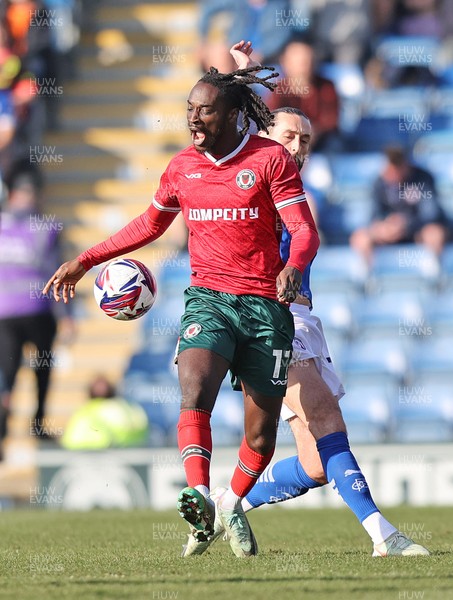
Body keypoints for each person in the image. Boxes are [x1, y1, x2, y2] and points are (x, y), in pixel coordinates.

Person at [44, 64, 320, 558]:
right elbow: (149, 226)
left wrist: (294, 266)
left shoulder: (270, 159)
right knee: (195, 390)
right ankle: (197, 494)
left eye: (205, 110)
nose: (194, 118)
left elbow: (304, 230)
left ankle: (231, 502)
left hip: (265, 307)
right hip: (208, 300)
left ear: (235, 115)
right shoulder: (181, 168)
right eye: (190, 108)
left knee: (260, 433)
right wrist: (85, 260)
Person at [181, 41, 430, 558]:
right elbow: (246, 132)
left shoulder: (295, 189)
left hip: (304, 318)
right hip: (266, 317)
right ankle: (384, 534)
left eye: (307, 140)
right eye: (290, 136)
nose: (298, 146)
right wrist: (246, 76)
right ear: (265, 138)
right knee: (324, 414)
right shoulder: (252, 176)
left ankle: (230, 502)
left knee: (316, 465)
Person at [0, 159, 74, 457]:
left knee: (9, 375)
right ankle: (37, 426)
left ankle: (9, 432)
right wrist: (67, 316)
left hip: (9, 314)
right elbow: (58, 272)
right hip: (35, 311)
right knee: (33, 373)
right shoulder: (47, 228)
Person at [350, 145, 446, 265]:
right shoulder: (379, 182)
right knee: (360, 238)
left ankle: (434, 276)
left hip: (416, 232)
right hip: (388, 232)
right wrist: (384, 226)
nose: (391, 174)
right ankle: (369, 278)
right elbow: (372, 215)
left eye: (395, 170)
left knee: (434, 234)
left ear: (405, 166)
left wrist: (406, 224)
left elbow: (431, 214)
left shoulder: (423, 179)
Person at [265, 36, 342, 152]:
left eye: (307, 59)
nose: (304, 64)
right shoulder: (278, 89)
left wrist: (308, 134)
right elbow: (270, 120)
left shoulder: (326, 87)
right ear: (285, 61)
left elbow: (330, 122)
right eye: (298, 59)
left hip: (320, 147)